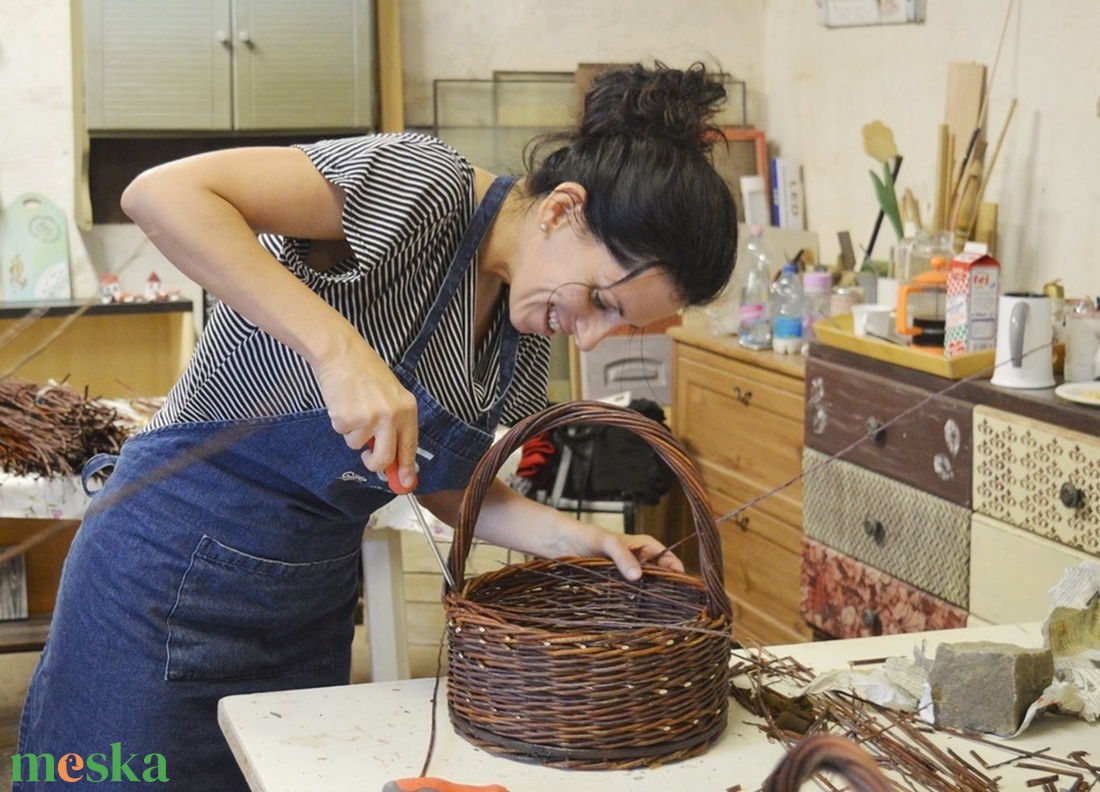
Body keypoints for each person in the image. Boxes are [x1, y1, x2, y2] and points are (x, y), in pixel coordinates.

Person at [14, 61, 737, 789]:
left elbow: (441, 485)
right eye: (602, 303)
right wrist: (340, 352)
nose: (587, 338)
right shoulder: (423, 187)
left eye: (618, 328)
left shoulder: (520, 333)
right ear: (561, 211)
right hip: (158, 582)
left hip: (306, 607)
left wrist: (581, 540)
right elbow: (163, 193)